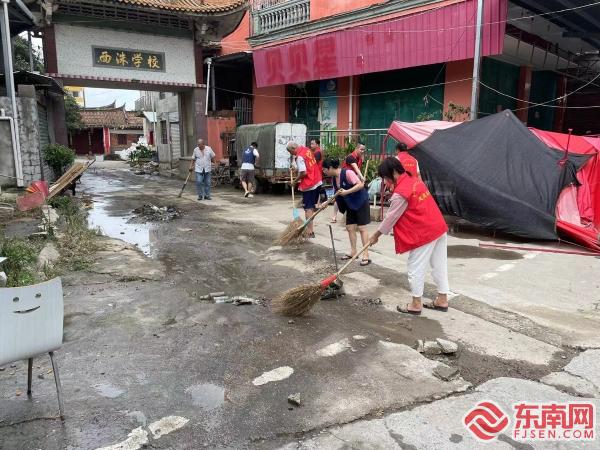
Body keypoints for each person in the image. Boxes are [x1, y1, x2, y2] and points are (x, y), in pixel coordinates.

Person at [369, 157, 450, 315]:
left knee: (415, 267)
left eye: (386, 177)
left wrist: (376, 235)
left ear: (393, 172)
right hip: (438, 227)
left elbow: (391, 218)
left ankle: (415, 304)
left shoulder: (401, 192)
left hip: (424, 232)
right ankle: (442, 299)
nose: (385, 181)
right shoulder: (414, 180)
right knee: (439, 265)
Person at [323, 158, 372, 266]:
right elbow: (337, 193)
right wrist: (326, 202)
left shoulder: (348, 173)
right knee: (350, 228)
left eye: (325, 169)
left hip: (360, 201)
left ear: (330, 168)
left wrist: (347, 192)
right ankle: (354, 252)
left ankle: (366, 254)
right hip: (350, 204)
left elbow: (360, 185)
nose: (324, 171)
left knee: (362, 228)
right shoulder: (334, 178)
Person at [287, 141, 322, 238]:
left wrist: (294, 181)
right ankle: (310, 227)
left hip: (309, 184)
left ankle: (310, 232)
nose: (291, 154)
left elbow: (303, 173)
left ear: (294, 148)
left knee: (308, 208)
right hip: (317, 180)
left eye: (290, 152)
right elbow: (307, 166)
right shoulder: (306, 150)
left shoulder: (299, 157)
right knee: (311, 207)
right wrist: (296, 169)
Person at [333, 144, 367, 223]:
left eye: (363, 150)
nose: (362, 151)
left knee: (349, 196)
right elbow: (356, 168)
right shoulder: (351, 157)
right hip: (343, 178)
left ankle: (350, 214)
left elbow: (358, 170)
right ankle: (334, 216)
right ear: (356, 148)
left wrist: (359, 179)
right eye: (361, 149)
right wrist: (362, 177)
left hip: (351, 180)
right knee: (338, 196)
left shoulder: (359, 158)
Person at [310, 138, 324, 207]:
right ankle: (317, 204)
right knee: (316, 190)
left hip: (317, 175)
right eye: (311, 143)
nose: (311, 145)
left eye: (313, 144)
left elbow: (313, 164)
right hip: (317, 175)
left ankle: (316, 204)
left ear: (317, 145)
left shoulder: (317, 152)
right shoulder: (316, 152)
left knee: (316, 190)